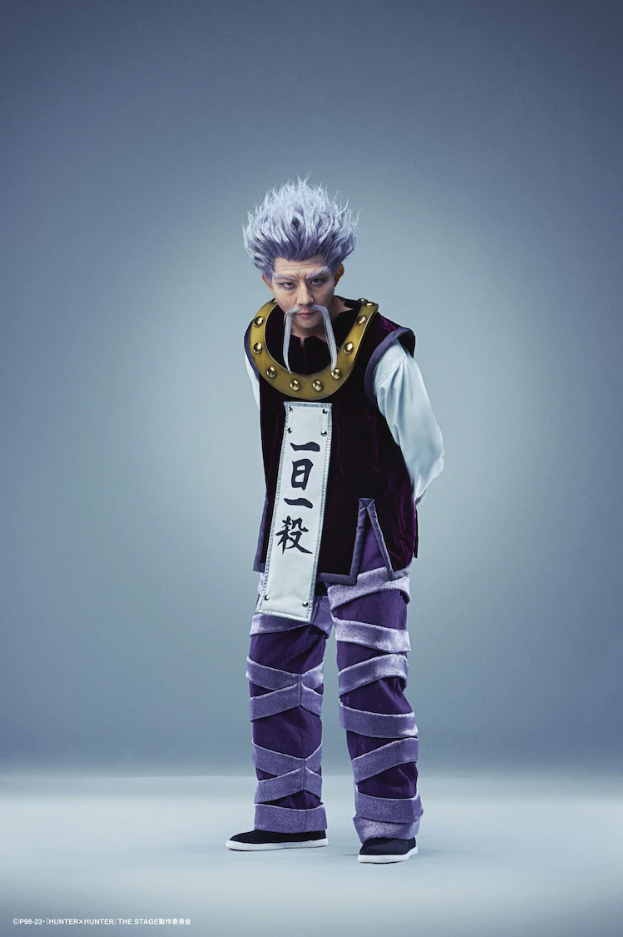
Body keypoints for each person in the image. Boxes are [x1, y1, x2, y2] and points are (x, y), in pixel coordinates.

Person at [226, 179, 444, 864]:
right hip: (294, 530)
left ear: (338, 272)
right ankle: (288, 814)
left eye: (316, 280)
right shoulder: (259, 340)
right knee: (272, 667)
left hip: (368, 534)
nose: (302, 298)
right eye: (287, 282)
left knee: (369, 672)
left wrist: (390, 518)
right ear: (266, 278)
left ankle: (389, 822)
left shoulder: (381, 348)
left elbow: (426, 450)